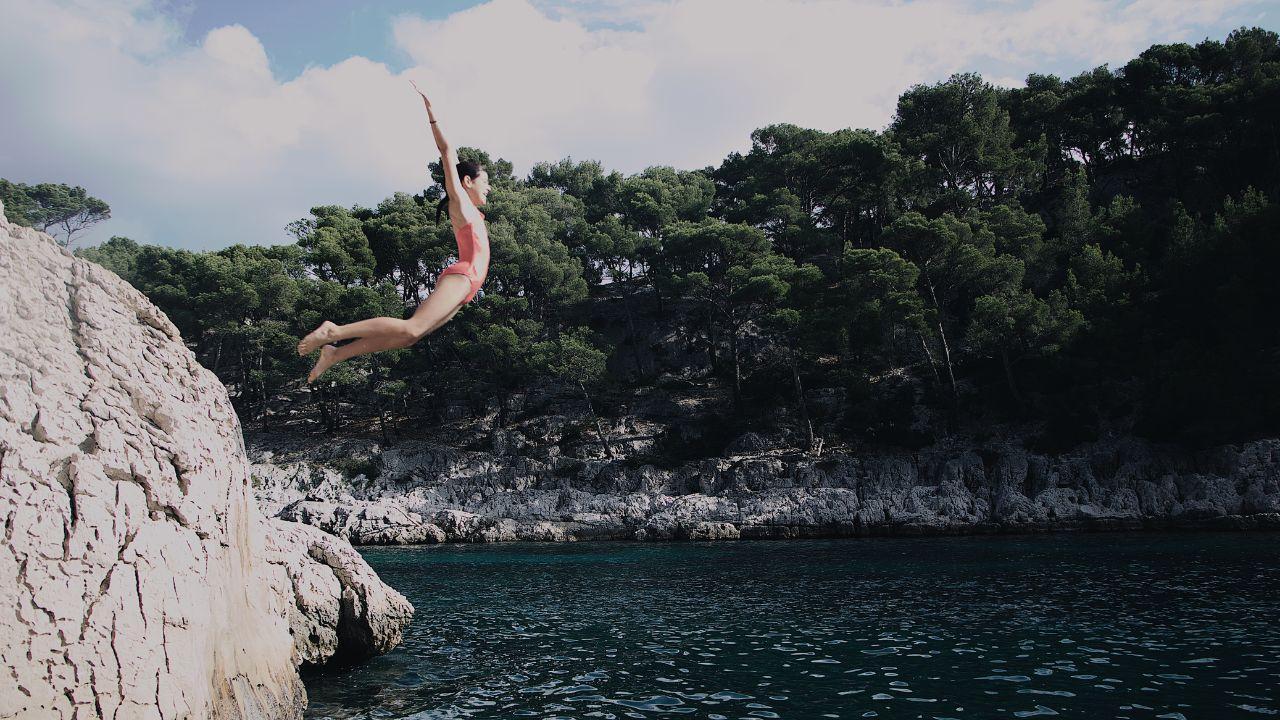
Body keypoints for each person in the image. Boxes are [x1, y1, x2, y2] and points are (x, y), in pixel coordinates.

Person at [298, 80, 492, 382]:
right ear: (467, 181)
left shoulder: (475, 213)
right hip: (464, 275)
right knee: (411, 327)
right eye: (485, 181)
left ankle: (336, 352)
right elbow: (447, 151)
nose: (489, 187)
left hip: (469, 287)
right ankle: (334, 331)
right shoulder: (461, 203)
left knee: (409, 337)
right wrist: (432, 114)